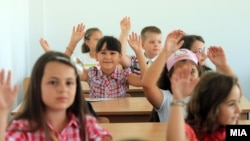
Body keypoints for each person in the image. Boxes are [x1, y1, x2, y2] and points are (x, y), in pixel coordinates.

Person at [0, 51, 112, 140]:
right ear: (37, 86)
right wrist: (2, 113)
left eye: (69, 83)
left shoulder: (86, 124)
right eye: (53, 82)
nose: (63, 89)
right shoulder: (23, 128)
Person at [142, 29, 234, 122]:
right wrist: (166, 52)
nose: (187, 77)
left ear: (199, 74)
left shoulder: (206, 96)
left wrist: (223, 66)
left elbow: (233, 91)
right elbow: (147, 84)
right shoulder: (165, 99)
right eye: (180, 72)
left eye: (192, 71)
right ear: (170, 77)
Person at [167, 70, 241, 140]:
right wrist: (177, 100)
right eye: (231, 104)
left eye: (239, 102)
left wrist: (224, 66)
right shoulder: (192, 132)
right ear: (211, 105)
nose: (239, 110)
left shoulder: (230, 131)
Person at [81, 34, 147, 98]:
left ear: (119, 57)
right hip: (96, 109)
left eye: (112, 53)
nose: (108, 57)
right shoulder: (91, 73)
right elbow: (70, 73)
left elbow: (145, 81)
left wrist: (139, 52)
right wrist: (73, 42)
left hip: (119, 109)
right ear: (96, 56)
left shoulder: (124, 75)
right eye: (103, 53)